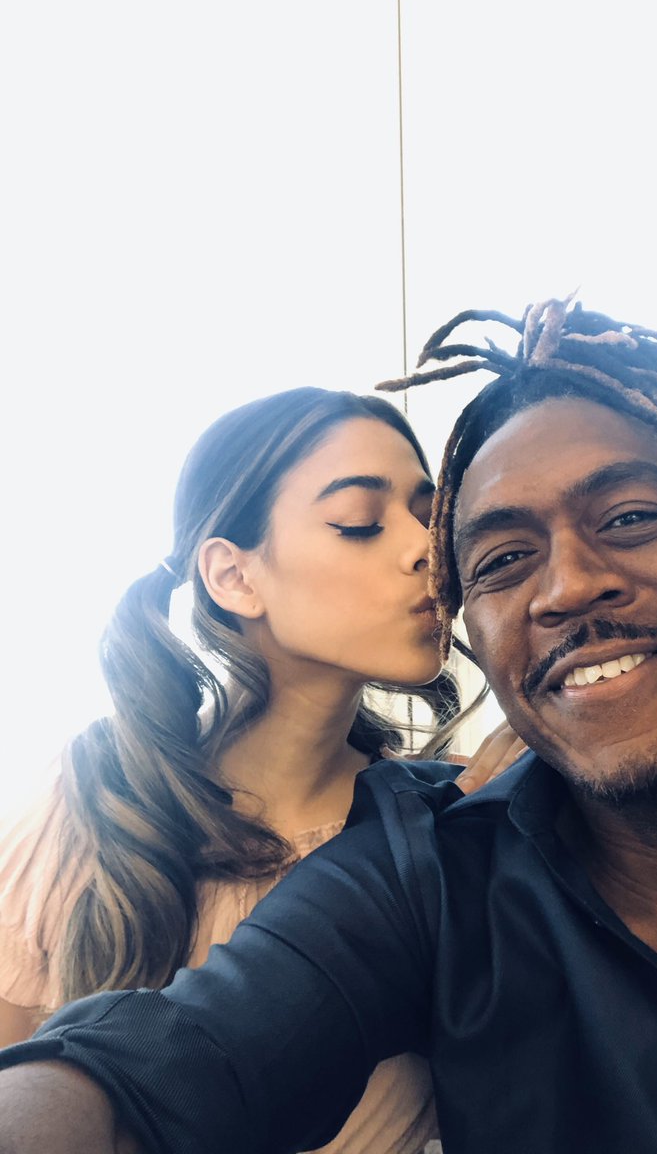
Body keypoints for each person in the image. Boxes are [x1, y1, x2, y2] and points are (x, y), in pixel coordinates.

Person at [1, 296, 657, 1154]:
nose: (566, 584)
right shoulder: (422, 863)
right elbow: (162, 1063)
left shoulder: (460, 815)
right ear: (231, 576)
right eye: (500, 558)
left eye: (630, 517)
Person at [0, 385, 522, 1153]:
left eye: (428, 515)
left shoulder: (434, 833)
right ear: (234, 577)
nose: (426, 550)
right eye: (359, 522)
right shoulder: (87, 799)